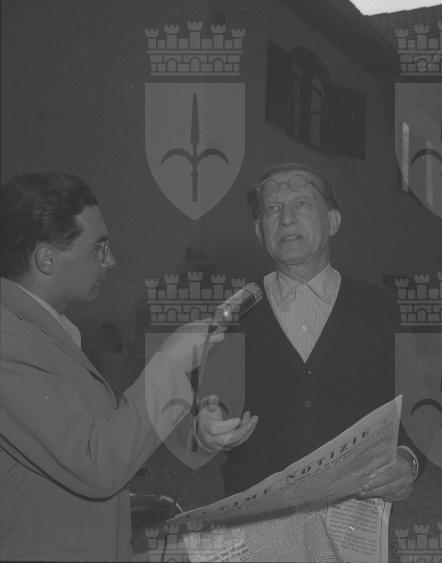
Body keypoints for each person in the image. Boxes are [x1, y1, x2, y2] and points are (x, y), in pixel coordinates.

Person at [0, 172, 255, 561]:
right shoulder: (10, 340)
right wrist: (170, 362)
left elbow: (109, 441)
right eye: (98, 248)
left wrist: (198, 435)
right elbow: (98, 464)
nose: (111, 261)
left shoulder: (43, 333)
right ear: (46, 258)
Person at [215, 162, 424, 502]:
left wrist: (409, 461)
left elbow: (418, 411)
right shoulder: (233, 314)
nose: (286, 219)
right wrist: (205, 431)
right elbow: (206, 411)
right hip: (259, 520)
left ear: (333, 221)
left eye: (302, 204)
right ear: (259, 231)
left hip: (354, 518)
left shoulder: (380, 308)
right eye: (273, 208)